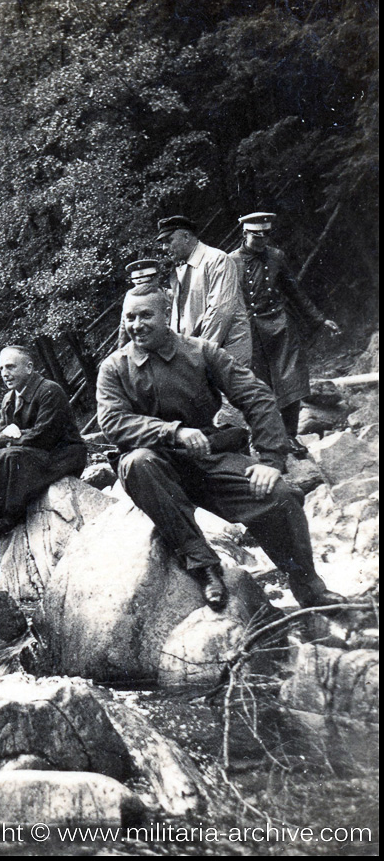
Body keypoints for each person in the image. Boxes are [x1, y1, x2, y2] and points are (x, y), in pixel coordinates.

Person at [96, 284, 346, 611]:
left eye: (146, 315)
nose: (136, 325)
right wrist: (173, 432)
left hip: (208, 459)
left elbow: (256, 397)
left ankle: (308, 587)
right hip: (157, 470)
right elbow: (113, 422)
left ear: (167, 315)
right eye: (129, 317)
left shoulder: (201, 351)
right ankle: (204, 567)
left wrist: (270, 460)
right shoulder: (113, 368)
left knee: (281, 496)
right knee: (137, 462)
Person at [230, 212, 342, 442]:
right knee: (259, 385)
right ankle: (266, 438)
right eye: (256, 237)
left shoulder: (276, 256)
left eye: (266, 236)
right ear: (245, 234)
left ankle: (290, 436)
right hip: (251, 330)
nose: (262, 241)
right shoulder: (230, 261)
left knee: (292, 380)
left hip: (281, 326)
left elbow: (295, 293)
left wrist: (320, 319)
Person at [0, 345, 89, 540]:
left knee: (12, 456)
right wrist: (0, 438)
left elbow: (45, 435)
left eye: (10, 367)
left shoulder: (49, 390)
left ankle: (11, 516)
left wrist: (5, 438)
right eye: (1, 369)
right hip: (33, 454)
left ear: (29, 368)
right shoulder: (8, 398)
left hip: (63, 455)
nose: (5, 374)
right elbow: (3, 433)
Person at [154, 215, 252, 366]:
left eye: (169, 241)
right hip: (202, 354)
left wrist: (197, 355)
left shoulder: (217, 260)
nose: (164, 248)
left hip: (226, 353)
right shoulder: (182, 268)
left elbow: (220, 312)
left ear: (186, 236)